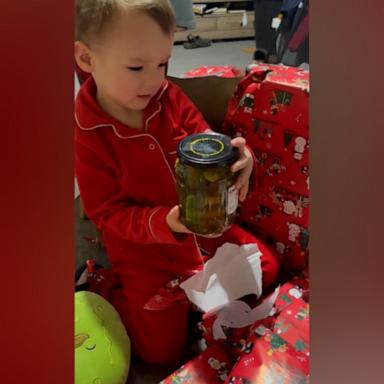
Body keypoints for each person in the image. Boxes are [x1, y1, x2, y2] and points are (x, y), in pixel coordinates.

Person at [75, 0, 279, 366]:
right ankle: (104, 285)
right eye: (136, 67)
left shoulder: (168, 96)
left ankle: (196, 295)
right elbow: (106, 213)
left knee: (267, 267)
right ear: (87, 60)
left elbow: (205, 139)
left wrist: (237, 156)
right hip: (144, 249)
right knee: (160, 352)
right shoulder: (87, 134)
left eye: (162, 64)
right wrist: (165, 222)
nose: (154, 80)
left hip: (202, 227)